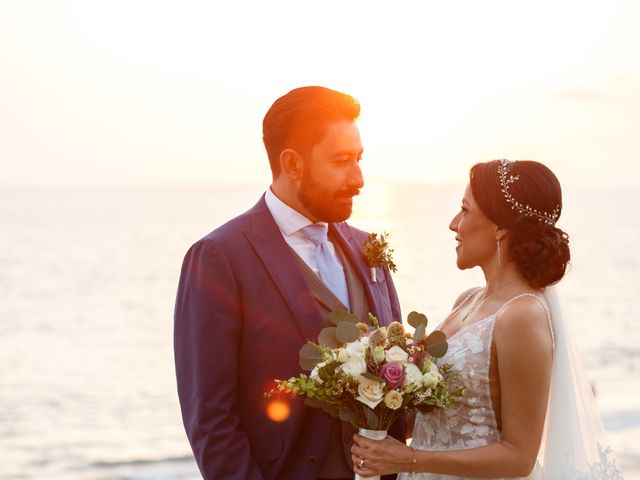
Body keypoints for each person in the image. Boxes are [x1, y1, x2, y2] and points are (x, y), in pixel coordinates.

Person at [174, 86, 405, 480]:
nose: (359, 179)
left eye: (359, 159)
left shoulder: (368, 249)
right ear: (292, 163)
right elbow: (211, 420)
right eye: (342, 161)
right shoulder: (220, 257)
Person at [351, 160, 623, 479]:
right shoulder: (466, 300)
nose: (454, 224)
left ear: (500, 227)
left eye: (465, 210)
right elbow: (438, 415)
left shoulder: (522, 316)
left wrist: (410, 459)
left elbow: (519, 457)